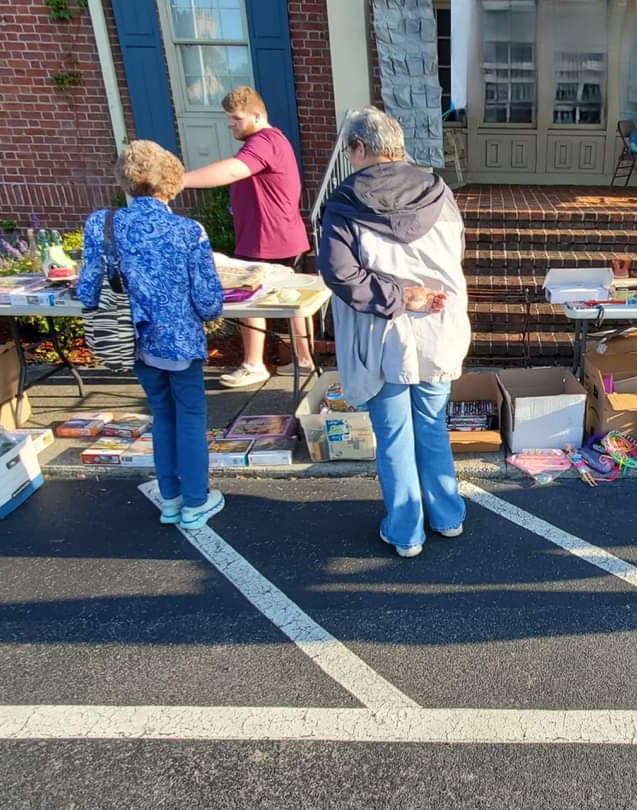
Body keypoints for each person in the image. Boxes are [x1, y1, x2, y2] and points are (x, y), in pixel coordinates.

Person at [317, 107, 470, 559]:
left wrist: (401, 297)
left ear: (361, 148)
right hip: (439, 327)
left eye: (351, 151)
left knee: (394, 435)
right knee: (432, 426)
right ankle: (447, 516)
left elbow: (340, 274)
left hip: (381, 336)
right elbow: (455, 249)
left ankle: (406, 531)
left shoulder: (345, 201)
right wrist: (418, 296)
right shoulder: (439, 190)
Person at [78, 141, 225, 529]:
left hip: (134, 340)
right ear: (171, 184)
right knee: (191, 417)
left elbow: (87, 290)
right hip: (180, 342)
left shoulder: (102, 223)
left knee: (161, 415)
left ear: (126, 181)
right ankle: (196, 502)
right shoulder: (188, 231)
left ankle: (171, 500)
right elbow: (209, 303)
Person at [182, 86, 313, 388]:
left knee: (249, 297)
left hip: (266, 237)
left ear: (257, 115)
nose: (231, 125)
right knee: (292, 299)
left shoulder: (264, 141)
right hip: (279, 234)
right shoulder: (272, 140)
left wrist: (181, 180)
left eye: (236, 118)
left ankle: (254, 364)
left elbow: (231, 171)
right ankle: (304, 360)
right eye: (229, 118)